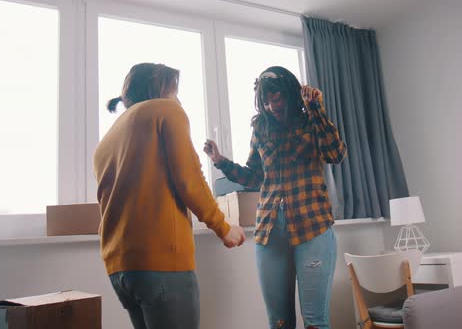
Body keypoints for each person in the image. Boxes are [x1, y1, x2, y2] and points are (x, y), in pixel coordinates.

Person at [93, 62, 246, 329]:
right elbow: (189, 178)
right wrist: (223, 228)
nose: (179, 100)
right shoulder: (166, 110)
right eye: (175, 92)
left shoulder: (108, 139)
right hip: (160, 261)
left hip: (120, 267)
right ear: (161, 89)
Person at [204, 66, 346, 329]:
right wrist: (221, 161)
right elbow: (255, 176)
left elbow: (335, 154)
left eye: (276, 97)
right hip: (270, 231)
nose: (271, 106)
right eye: (265, 101)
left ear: (290, 94)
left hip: (312, 228)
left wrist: (315, 108)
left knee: (315, 321)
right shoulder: (261, 127)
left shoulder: (310, 120)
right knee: (279, 323)